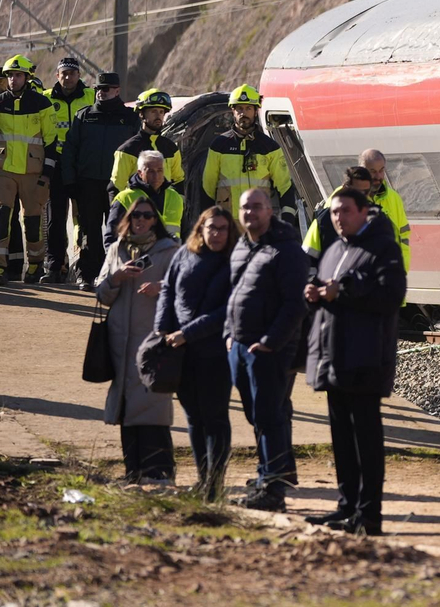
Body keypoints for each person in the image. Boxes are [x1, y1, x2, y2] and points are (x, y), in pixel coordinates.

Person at [303, 187, 407, 536]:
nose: (338, 217)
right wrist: (315, 294)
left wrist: (343, 290)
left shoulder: (384, 247)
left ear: (364, 212)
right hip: (334, 358)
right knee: (342, 440)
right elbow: (329, 292)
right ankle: (346, 507)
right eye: (334, 212)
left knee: (365, 439)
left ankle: (369, 515)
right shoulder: (334, 249)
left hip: (364, 359)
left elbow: (391, 297)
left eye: (345, 211)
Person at [225, 188, 309, 511]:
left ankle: (273, 490)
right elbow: (232, 296)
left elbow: (294, 304)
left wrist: (272, 341)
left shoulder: (286, 250)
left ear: (269, 210)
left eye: (257, 207)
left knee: (269, 416)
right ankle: (272, 474)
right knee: (257, 415)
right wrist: (228, 335)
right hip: (240, 347)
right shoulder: (241, 246)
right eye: (246, 207)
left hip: (270, 350)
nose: (250, 213)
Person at [97, 197, 179, 483]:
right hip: (120, 344)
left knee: (153, 407)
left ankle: (160, 472)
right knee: (127, 410)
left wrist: (162, 288)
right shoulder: (117, 250)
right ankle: (133, 471)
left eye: (146, 216)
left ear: (155, 220)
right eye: (135, 216)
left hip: (154, 345)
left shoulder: (170, 251)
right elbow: (102, 295)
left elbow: (184, 289)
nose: (141, 220)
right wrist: (116, 278)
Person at [156, 206, 235, 498]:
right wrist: (161, 329)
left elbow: (226, 312)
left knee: (214, 417)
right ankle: (203, 479)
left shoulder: (233, 262)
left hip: (214, 353)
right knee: (193, 418)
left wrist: (186, 333)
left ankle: (215, 483)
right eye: (211, 228)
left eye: (222, 229)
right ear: (200, 229)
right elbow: (167, 290)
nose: (216, 234)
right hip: (180, 352)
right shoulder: (184, 255)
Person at [0, 55, 58, 286]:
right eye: (10, 75)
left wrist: (47, 173)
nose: (13, 80)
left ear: (27, 77)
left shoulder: (42, 104)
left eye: (17, 75)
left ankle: (34, 266)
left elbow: (51, 142)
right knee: (1, 217)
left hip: (33, 172)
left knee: (33, 221)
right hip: (2, 170)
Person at [62, 72, 140, 291]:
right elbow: (70, 150)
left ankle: (116, 274)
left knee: (119, 231)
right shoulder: (83, 116)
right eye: (98, 89)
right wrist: (70, 181)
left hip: (120, 186)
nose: (100, 93)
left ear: (117, 90)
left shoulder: (131, 118)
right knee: (89, 231)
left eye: (105, 89)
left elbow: (139, 151)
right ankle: (87, 275)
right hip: (88, 184)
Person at [202, 85, 297, 226]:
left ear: (255, 111)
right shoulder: (219, 146)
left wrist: (287, 221)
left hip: (260, 224)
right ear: (232, 111)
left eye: (248, 108)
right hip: (229, 226)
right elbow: (207, 187)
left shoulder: (269, 147)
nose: (243, 113)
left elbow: (285, 186)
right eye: (239, 108)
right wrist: (209, 221)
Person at [43, 57, 94, 283]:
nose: (68, 77)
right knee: (55, 218)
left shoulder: (91, 97)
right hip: (57, 165)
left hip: (83, 165)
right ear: (57, 75)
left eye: (72, 73)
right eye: (64, 73)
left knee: (83, 218)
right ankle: (55, 266)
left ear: (79, 75)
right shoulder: (45, 99)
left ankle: (83, 268)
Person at [111, 89, 184, 199]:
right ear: (141, 114)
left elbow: (178, 181)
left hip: (165, 213)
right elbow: (116, 187)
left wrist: (179, 209)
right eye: (153, 111)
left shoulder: (171, 149)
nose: (158, 116)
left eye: (161, 112)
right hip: (137, 213)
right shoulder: (126, 150)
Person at [106, 151, 185, 249]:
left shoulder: (175, 197)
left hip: (170, 259)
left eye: (159, 170)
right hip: (135, 260)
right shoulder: (125, 198)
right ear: (140, 173)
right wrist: (119, 262)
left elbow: (186, 234)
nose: (156, 176)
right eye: (151, 171)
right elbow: (110, 238)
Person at [302, 166, 374, 266]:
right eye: (357, 192)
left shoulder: (378, 220)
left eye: (366, 192)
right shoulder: (323, 220)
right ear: (345, 188)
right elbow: (307, 261)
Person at [358, 149, 411, 273]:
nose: (378, 176)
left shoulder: (394, 198)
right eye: (372, 171)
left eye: (381, 170)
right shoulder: (341, 198)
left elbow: (403, 237)